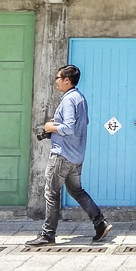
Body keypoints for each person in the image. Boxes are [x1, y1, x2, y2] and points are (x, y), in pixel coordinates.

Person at [25, 64, 112, 245]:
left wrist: (51, 127)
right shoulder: (80, 98)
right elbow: (80, 124)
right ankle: (100, 223)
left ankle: (48, 235)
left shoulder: (68, 100)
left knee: (51, 193)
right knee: (77, 191)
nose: (55, 81)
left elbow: (69, 128)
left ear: (67, 80)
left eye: (58, 78)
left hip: (62, 155)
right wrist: (56, 125)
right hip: (76, 155)